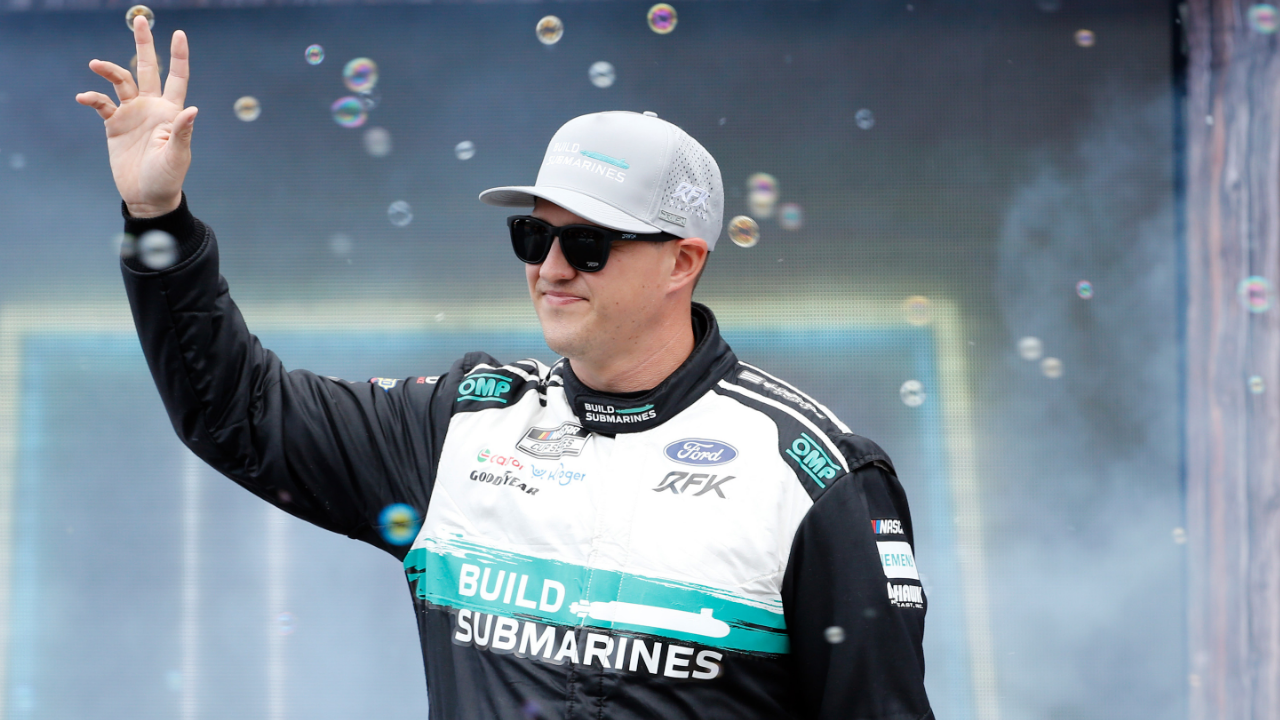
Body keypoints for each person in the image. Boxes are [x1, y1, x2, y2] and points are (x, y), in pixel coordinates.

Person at [77, 16, 934, 720]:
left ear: (684, 261)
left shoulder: (814, 475)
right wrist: (158, 216)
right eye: (534, 234)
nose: (551, 267)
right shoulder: (461, 426)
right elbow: (235, 411)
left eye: (589, 244)